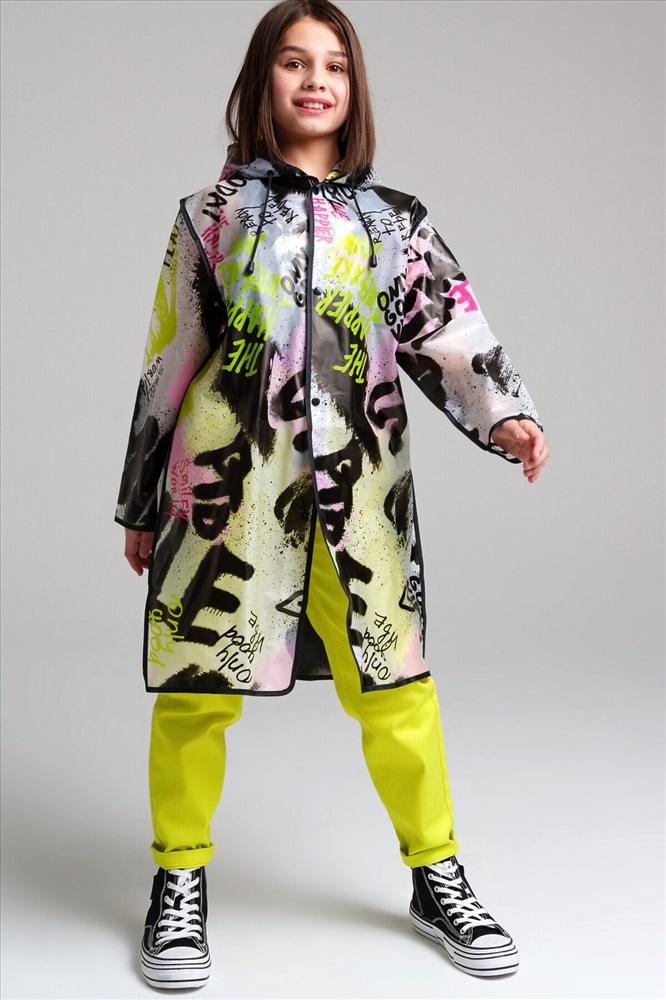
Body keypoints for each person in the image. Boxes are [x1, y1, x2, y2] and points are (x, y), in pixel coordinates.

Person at [116, 0, 549, 989]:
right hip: (227, 495)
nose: (316, 80)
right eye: (293, 62)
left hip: (362, 498)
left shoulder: (395, 222)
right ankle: (178, 879)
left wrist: (508, 415)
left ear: (353, 90)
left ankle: (437, 874)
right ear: (260, 80)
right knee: (196, 687)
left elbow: (450, 332)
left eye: (336, 66)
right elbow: (168, 361)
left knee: (398, 686)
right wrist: (142, 501)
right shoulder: (210, 217)